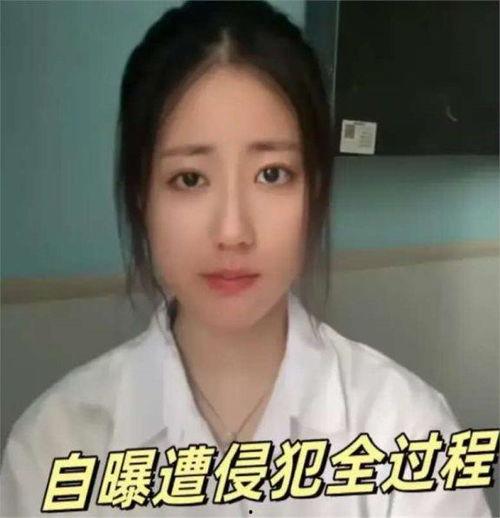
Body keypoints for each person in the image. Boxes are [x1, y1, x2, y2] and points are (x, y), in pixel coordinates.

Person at [0, 1, 494, 516]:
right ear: (142, 196)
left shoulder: (406, 429)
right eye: (190, 178)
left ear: (315, 189)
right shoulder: (54, 446)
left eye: (272, 174)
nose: (232, 232)